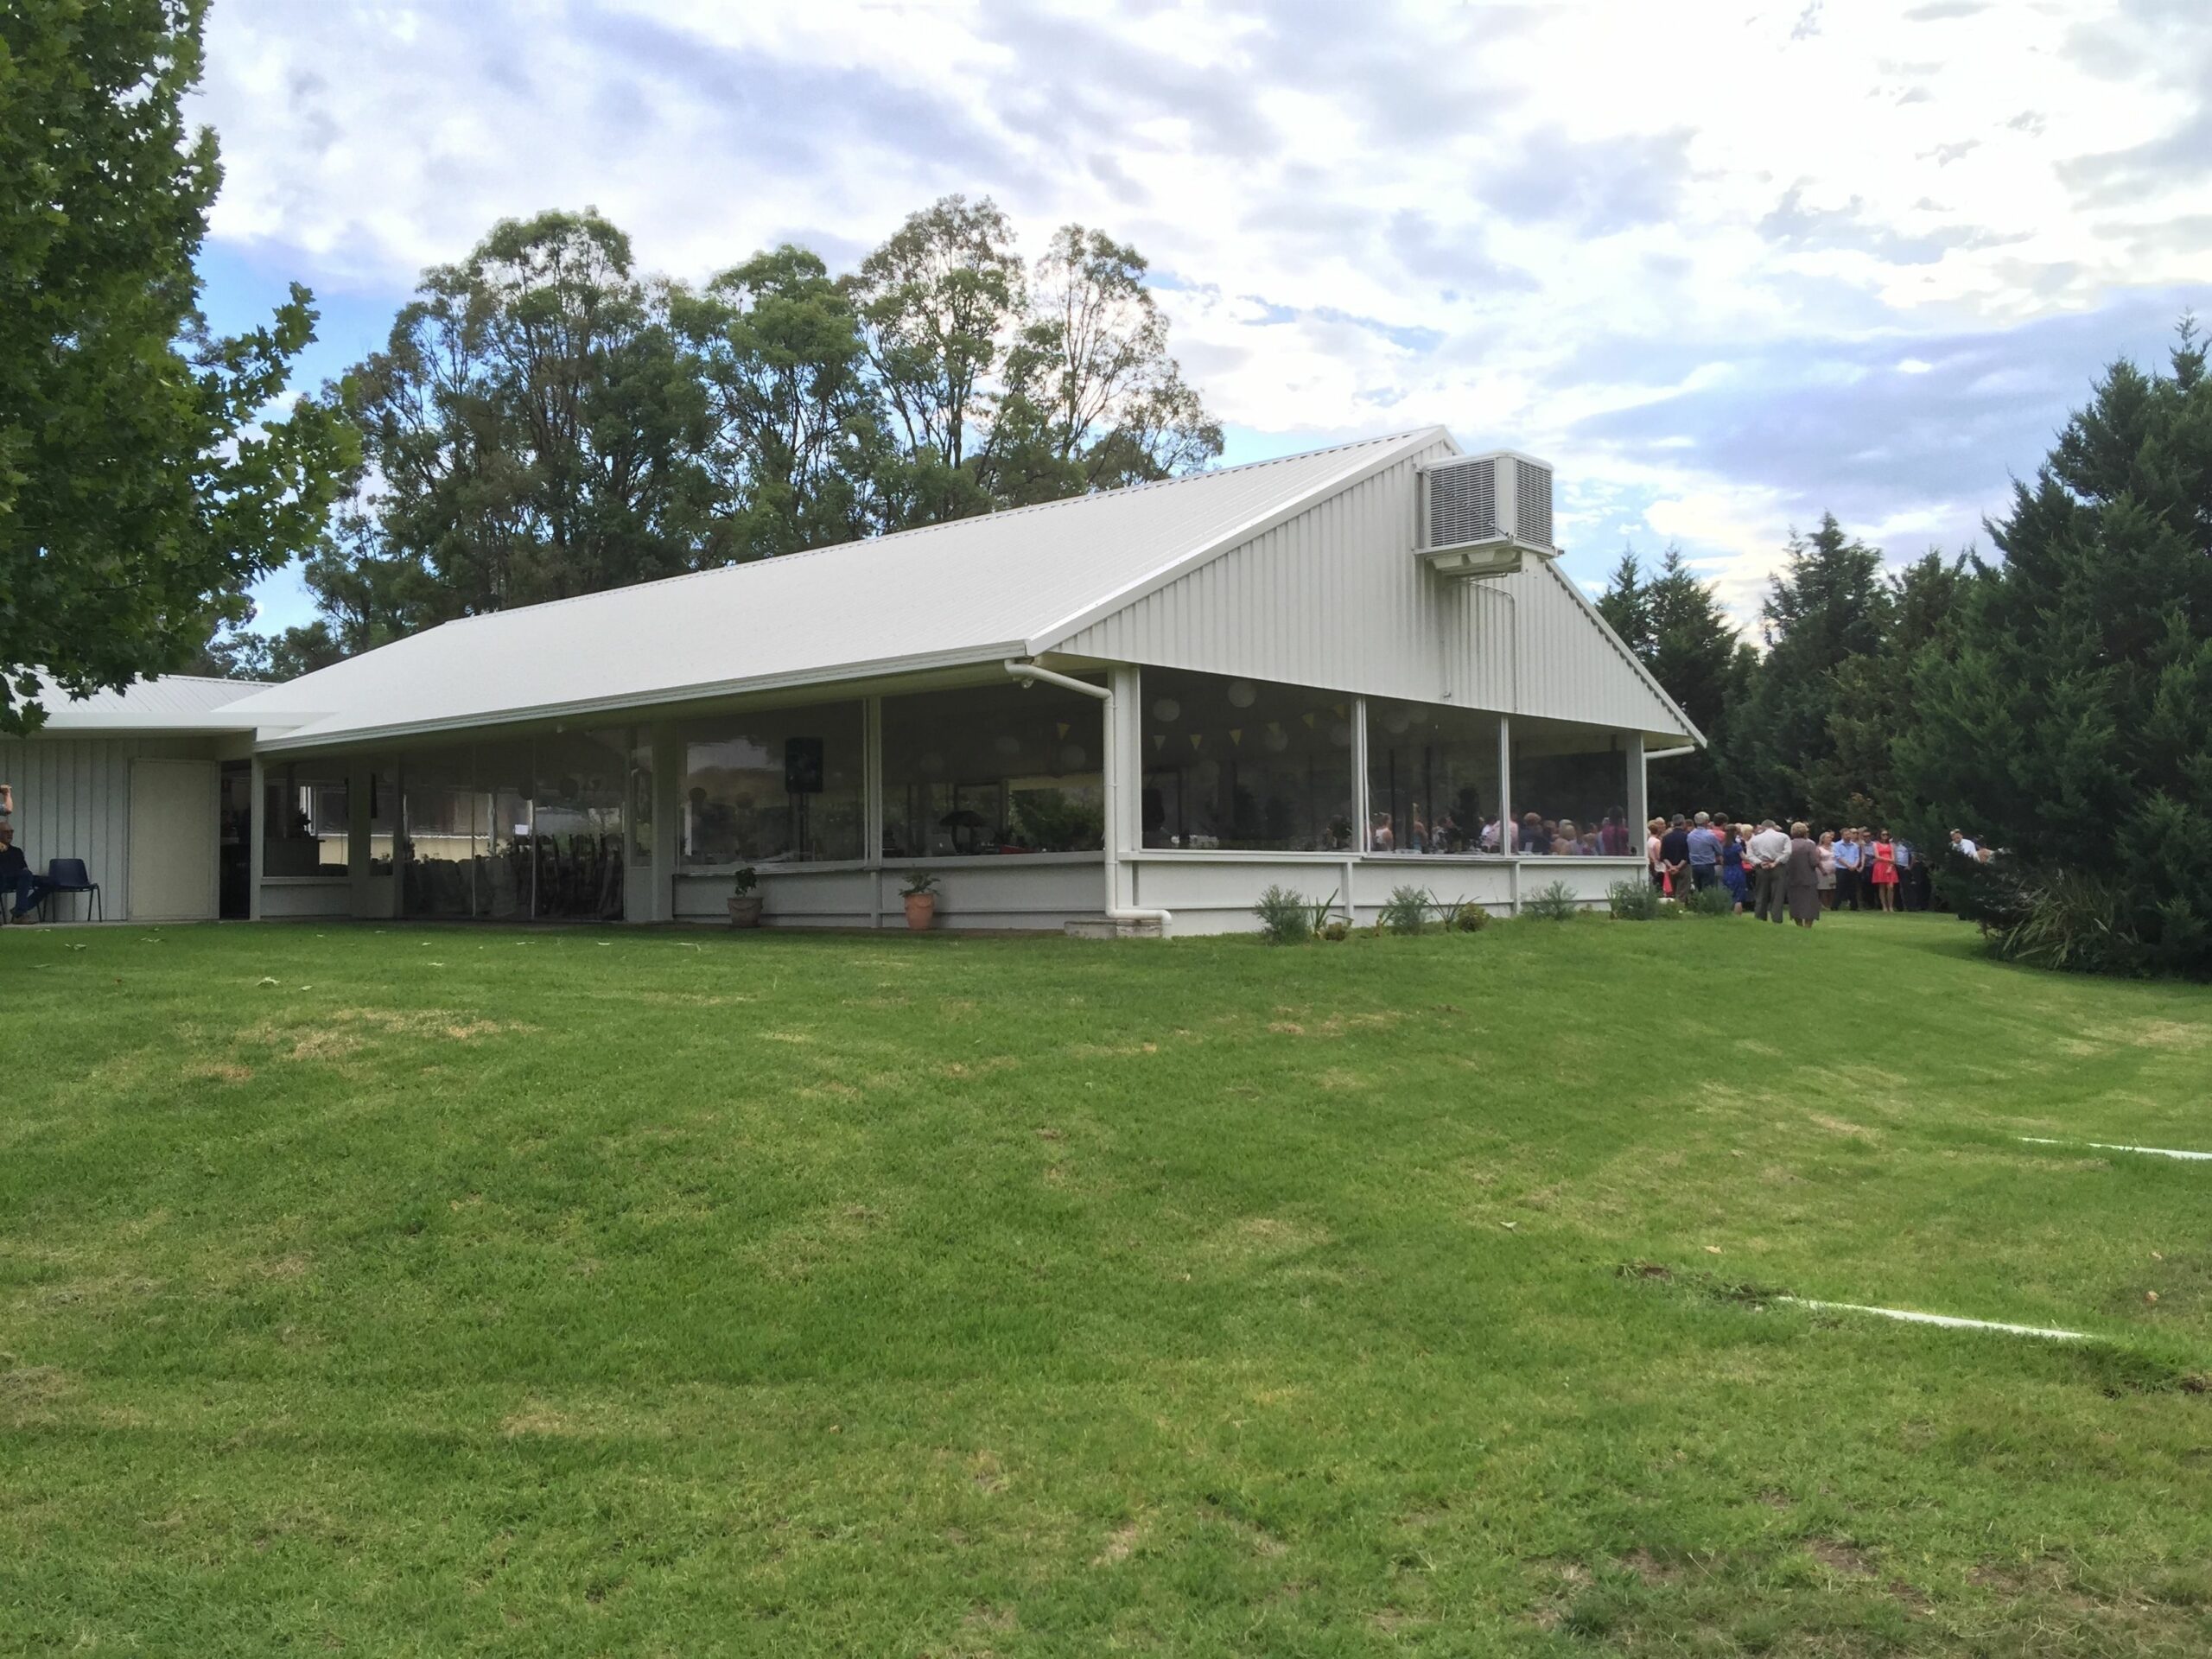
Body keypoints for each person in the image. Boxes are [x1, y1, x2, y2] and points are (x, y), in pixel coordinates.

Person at [1, 823, 52, 924]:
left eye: (11, 832)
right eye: (6, 832)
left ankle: (19, 909)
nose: (10, 834)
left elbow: (24, 868)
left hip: (18, 878)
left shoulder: (16, 851)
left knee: (51, 882)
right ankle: (20, 914)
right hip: (3, 879)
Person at [1747, 818, 1791, 925]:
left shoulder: (1754, 839)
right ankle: (1776, 919)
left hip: (1762, 867)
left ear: (1762, 827)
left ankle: (1760, 918)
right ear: (1775, 826)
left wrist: (1760, 862)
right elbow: (1788, 852)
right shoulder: (1783, 836)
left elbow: (1750, 855)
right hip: (1778, 867)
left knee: (1761, 894)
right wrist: (1776, 862)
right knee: (1778, 895)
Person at [1784, 822, 1822, 926]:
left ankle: (1799, 925)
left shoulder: (1788, 844)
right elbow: (1813, 862)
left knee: (1795, 902)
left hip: (1792, 877)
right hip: (1808, 877)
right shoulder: (1809, 844)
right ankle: (1808, 926)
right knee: (1810, 903)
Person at [1686, 810, 1722, 892]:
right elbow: (1720, 850)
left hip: (1694, 865)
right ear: (1706, 822)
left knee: (1698, 889)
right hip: (1707, 865)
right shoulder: (1710, 836)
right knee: (1708, 890)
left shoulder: (1690, 836)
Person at [1657, 814, 1691, 898]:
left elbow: (1663, 856)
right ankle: (1680, 908)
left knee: (1673, 890)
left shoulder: (1666, 838)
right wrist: (1678, 867)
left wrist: (1671, 867)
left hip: (1670, 868)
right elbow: (1687, 856)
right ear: (1683, 823)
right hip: (1684, 867)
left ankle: (1674, 907)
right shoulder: (1687, 837)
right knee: (1682, 891)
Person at [1719, 823, 1751, 912]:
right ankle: (1737, 916)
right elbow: (1745, 858)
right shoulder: (1736, 846)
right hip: (1737, 870)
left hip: (1726, 871)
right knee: (1738, 896)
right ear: (1735, 833)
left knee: (1728, 894)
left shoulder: (1722, 846)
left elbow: (1721, 861)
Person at [1833, 826, 1864, 911]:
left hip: (1853, 868)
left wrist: (1855, 865)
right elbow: (1838, 857)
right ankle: (1835, 906)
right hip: (1842, 868)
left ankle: (1854, 907)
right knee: (1840, 888)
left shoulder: (1855, 845)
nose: (1848, 836)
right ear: (1842, 836)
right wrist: (1848, 865)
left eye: (1849, 834)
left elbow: (1857, 857)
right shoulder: (1837, 845)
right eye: (1846, 835)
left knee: (1853, 889)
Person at [1870, 828, 1898, 912]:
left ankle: (1891, 906)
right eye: (1883, 834)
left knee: (1891, 887)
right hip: (1880, 866)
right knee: (1882, 886)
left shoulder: (1891, 845)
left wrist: (1890, 866)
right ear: (1880, 835)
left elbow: (1893, 857)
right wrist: (1889, 860)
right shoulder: (1875, 844)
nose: (1885, 836)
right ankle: (1884, 906)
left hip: (1890, 866)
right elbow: (1877, 856)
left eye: (1887, 835)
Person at [1815, 831, 1837, 908]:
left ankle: (1831, 904)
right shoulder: (1819, 848)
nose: (1830, 839)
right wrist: (1822, 870)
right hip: (1822, 871)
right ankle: (1825, 904)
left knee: (1832, 888)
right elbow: (1817, 861)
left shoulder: (1834, 848)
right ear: (1823, 839)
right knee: (1824, 888)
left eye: (1830, 837)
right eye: (1828, 837)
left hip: (1833, 871)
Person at [1646, 817, 1667, 891]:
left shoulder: (1648, 841)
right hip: (1659, 869)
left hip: (1652, 868)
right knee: (1659, 889)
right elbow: (1659, 857)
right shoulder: (1657, 842)